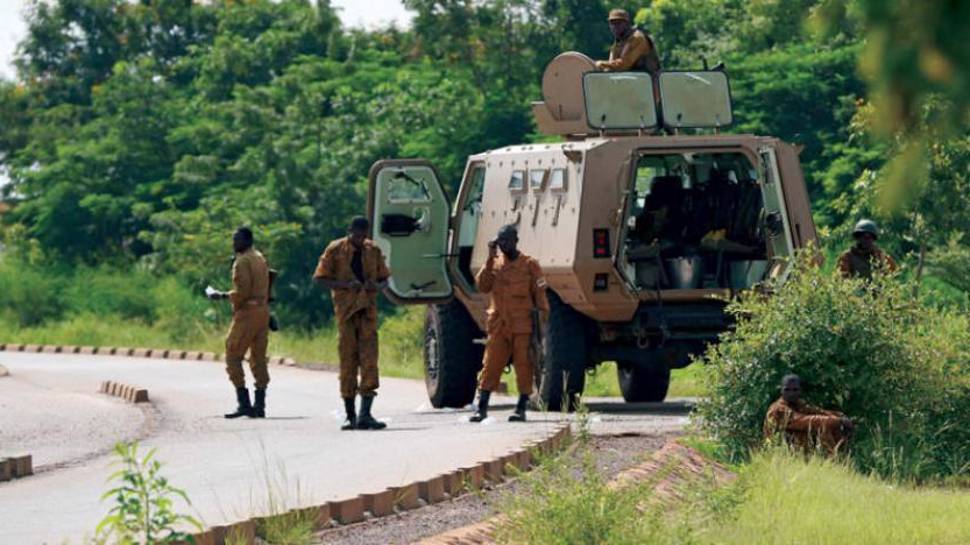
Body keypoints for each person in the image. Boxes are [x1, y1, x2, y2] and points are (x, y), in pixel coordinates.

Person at [313, 217, 391, 431]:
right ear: (349, 232)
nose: (360, 239)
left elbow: (385, 278)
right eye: (356, 235)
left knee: (369, 362)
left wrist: (376, 285)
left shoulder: (372, 250)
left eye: (363, 235)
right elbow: (319, 278)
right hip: (346, 313)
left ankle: (366, 414)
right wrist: (345, 285)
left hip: (367, 313)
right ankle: (350, 415)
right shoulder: (335, 249)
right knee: (347, 362)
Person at [471, 225, 550, 423]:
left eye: (506, 241)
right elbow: (482, 286)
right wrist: (490, 257)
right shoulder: (495, 265)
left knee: (524, 366)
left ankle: (521, 407)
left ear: (515, 241)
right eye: (500, 241)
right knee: (491, 365)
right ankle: (481, 408)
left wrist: (542, 326)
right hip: (499, 325)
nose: (503, 245)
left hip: (522, 326)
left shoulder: (530, 265)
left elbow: (540, 298)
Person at [206, 227, 272, 419]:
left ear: (246, 241)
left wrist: (221, 295)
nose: (233, 243)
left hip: (248, 314)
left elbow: (242, 292)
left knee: (232, 354)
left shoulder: (242, 262)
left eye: (237, 240)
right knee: (258, 358)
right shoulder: (260, 258)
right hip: (263, 312)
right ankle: (260, 405)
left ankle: (243, 402)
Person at [764, 374, 854, 455]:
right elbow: (803, 420)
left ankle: (838, 457)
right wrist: (838, 421)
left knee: (829, 426)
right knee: (822, 427)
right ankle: (832, 459)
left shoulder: (798, 404)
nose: (791, 393)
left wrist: (840, 416)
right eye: (787, 390)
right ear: (781, 390)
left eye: (795, 390)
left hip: (797, 449)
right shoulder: (778, 409)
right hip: (779, 450)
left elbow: (816, 412)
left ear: (800, 391)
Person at [594, 9, 661, 75]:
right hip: (630, 80)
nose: (615, 27)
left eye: (618, 23)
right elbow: (611, 67)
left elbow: (624, 65)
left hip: (648, 80)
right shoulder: (619, 42)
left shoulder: (638, 38)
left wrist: (601, 64)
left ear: (627, 24)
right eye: (612, 24)